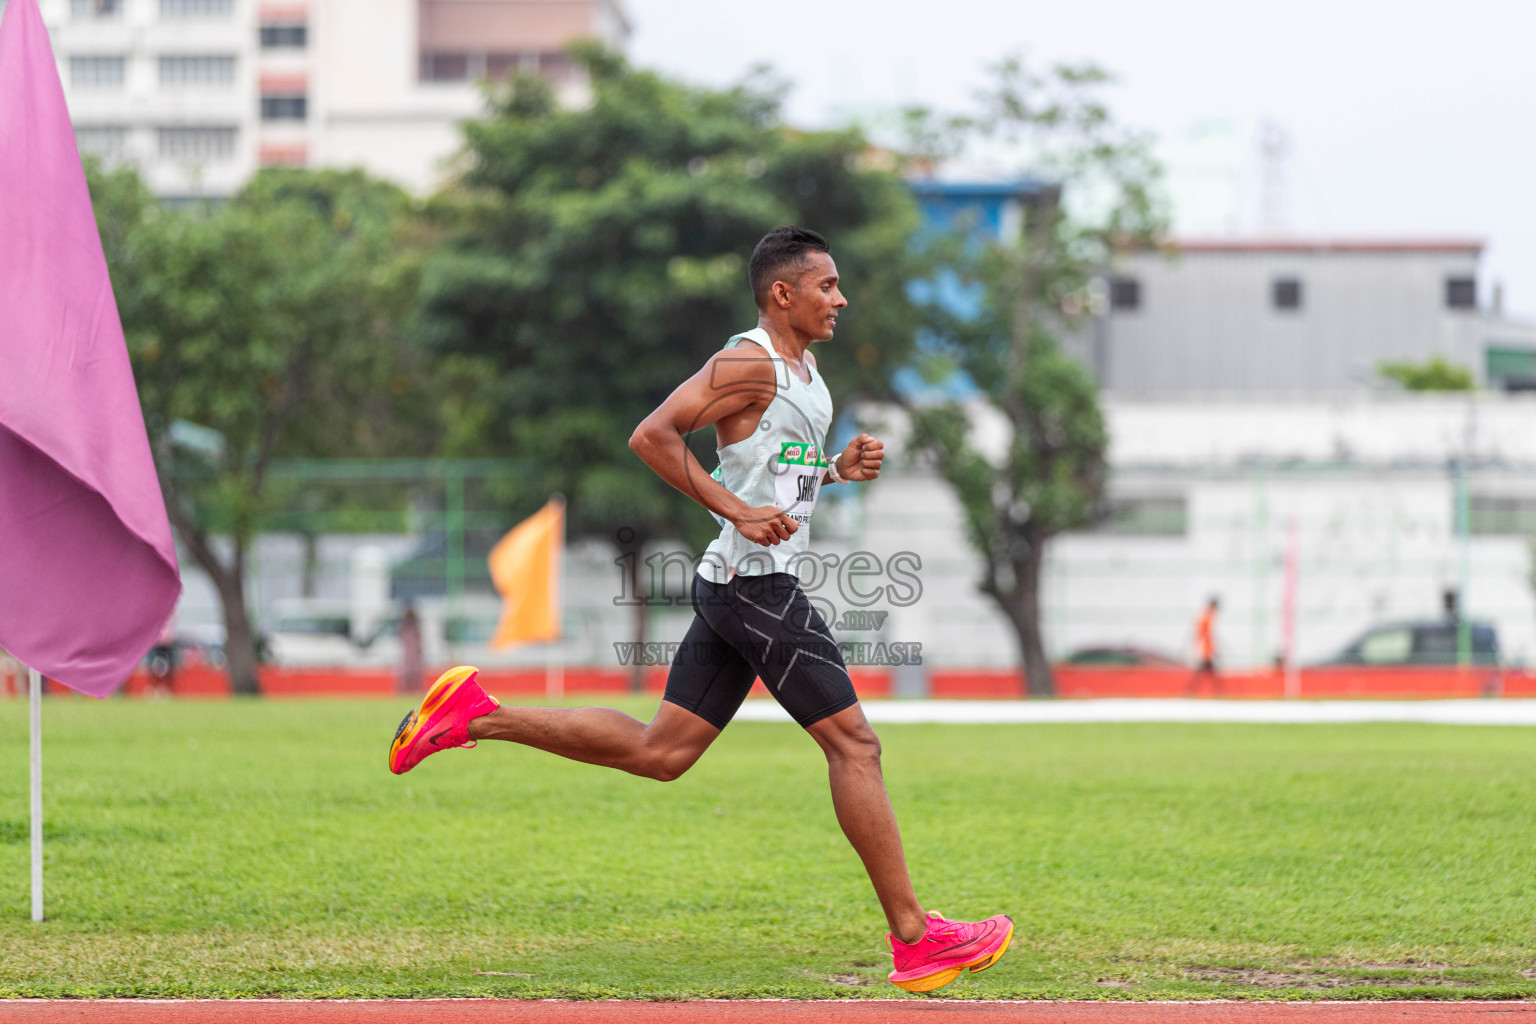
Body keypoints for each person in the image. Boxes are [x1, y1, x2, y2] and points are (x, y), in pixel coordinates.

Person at [387, 226, 1012, 993]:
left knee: (662, 754)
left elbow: (765, 467)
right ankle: (917, 939)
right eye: (826, 286)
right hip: (757, 587)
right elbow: (652, 436)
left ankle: (475, 715)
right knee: (856, 746)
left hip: (738, 582)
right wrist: (737, 512)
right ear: (782, 293)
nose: (840, 298)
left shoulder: (804, 369)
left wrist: (832, 472)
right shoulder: (746, 361)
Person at [1185, 596, 1223, 696]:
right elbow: (1206, 635)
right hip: (1205, 649)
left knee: (1207, 671)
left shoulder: (1206, 616)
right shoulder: (1207, 617)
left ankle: (1191, 691)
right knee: (1206, 671)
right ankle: (1218, 691)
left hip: (1205, 648)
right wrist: (1212, 649)